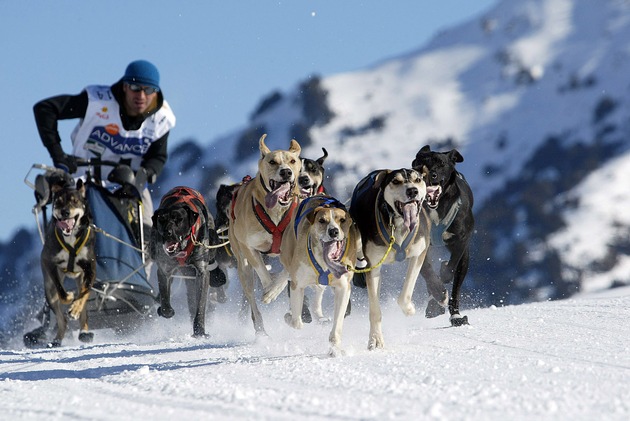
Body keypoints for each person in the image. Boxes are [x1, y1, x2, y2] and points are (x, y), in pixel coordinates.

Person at [33, 59, 176, 226]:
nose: (141, 96)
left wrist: (145, 174)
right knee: (67, 225)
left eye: (149, 90)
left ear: (156, 92)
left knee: (148, 232)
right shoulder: (97, 102)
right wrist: (59, 156)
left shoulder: (162, 119)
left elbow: (158, 156)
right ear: (124, 86)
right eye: (135, 88)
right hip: (82, 182)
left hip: (129, 186)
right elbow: (45, 109)